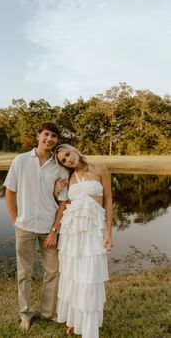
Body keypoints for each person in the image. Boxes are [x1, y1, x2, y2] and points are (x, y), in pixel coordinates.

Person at [3, 122, 68, 332]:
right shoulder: (20, 161)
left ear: (57, 141)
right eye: (46, 134)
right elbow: (10, 193)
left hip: (48, 228)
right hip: (25, 227)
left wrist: (54, 231)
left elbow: (63, 203)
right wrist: (16, 221)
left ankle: (48, 312)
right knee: (24, 273)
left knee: (53, 271)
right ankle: (26, 314)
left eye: (54, 136)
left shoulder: (60, 167)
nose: (49, 139)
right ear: (38, 135)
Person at [54, 144, 113, 338]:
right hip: (72, 232)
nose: (68, 160)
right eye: (63, 160)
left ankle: (88, 326)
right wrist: (56, 191)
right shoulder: (69, 179)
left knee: (90, 277)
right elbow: (64, 203)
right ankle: (74, 319)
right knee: (73, 276)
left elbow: (109, 202)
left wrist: (109, 232)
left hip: (94, 230)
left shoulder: (100, 169)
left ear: (74, 150)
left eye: (68, 154)